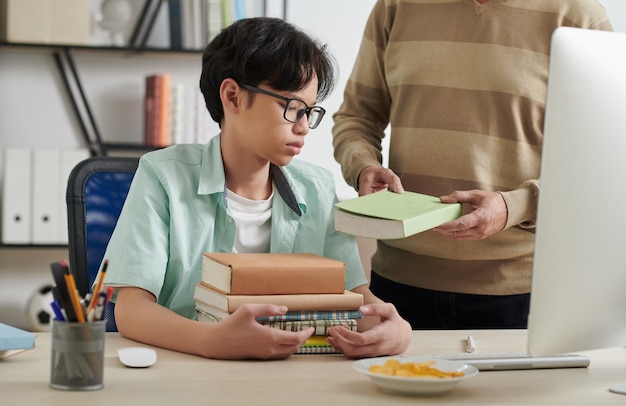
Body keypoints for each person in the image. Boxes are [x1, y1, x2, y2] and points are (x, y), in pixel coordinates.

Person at [100, 17, 412, 360]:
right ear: (233, 97)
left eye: (309, 112)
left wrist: (393, 329)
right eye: (292, 108)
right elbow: (130, 311)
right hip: (189, 369)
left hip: (295, 374)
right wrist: (211, 341)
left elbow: (354, 297)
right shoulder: (163, 176)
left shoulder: (318, 189)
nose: (304, 127)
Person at [332, 0, 612, 329]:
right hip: (398, 287)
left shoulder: (579, 16)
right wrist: (363, 166)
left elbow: (606, 154)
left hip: (522, 293)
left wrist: (516, 206)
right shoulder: (396, 6)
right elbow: (356, 118)